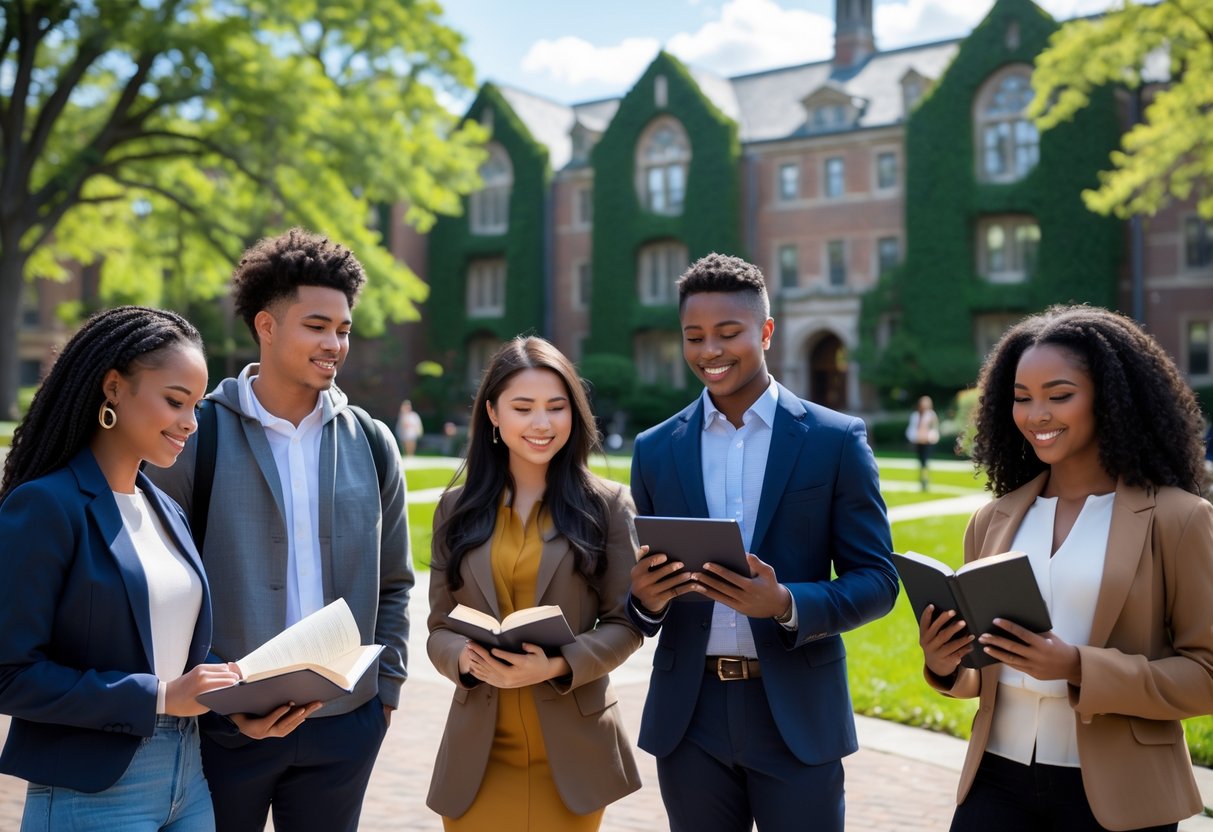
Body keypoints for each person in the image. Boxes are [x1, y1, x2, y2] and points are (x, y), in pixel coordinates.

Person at [148, 229, 413, 832]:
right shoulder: (196, 437)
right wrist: (214, 698)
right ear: (266, 326)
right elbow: (158, 589)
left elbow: (395, 582)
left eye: (343, 329)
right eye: (317, 326)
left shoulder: (373, 443)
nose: (334, 344)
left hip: (345, 727)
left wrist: (385, 692)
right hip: (220, 728)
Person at [627, 253, 899, 832]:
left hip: (797, 714)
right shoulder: (654, 449)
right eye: (694, 336)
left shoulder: (835, 440)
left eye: (729, 333)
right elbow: (641, 599)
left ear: (767, 332)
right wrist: (645, 600)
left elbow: (879, 580)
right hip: (689, 718)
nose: (710, 350)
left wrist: (785, 604)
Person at [918, 305, 1213, 832]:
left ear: (1112, 398)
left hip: (1119, 792)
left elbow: (1206, 675)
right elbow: (980, 677)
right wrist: (947, 664)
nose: (1036, 415)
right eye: (1021, 398)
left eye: (1059, 396)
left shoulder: (1178, 519)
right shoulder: (993, 520)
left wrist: (1078, 666)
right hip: (996, 781)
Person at [0, 306, 241, 830]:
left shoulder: (166, 509)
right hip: (93, 791)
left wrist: (242, 697)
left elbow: (162, 645)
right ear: (113, 388)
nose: (190, 422)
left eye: (196, 406)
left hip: (188, 778)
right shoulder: (46, 505)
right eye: (175, 401)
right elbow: (9, 674)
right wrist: (160, 697)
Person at [426, 336, 643, 831]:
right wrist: (463, 658)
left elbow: (626, 623)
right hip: (478, 754)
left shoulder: (608, 505)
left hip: (573, 754)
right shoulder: (454, 509)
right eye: (523, 408)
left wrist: (557, 665)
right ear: (493, 414)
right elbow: (438, 628)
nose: (542, 423)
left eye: (556, 407)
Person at [906, 394, 941, 491]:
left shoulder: (931, 415)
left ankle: (925, 479)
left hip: (927, 442)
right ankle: (923, 478)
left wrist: (930, 437)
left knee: (925, 461)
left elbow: (934, 429)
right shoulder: (916, 415)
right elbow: (912, 429)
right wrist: (915, 437)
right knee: (921, 461)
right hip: (919, 441)